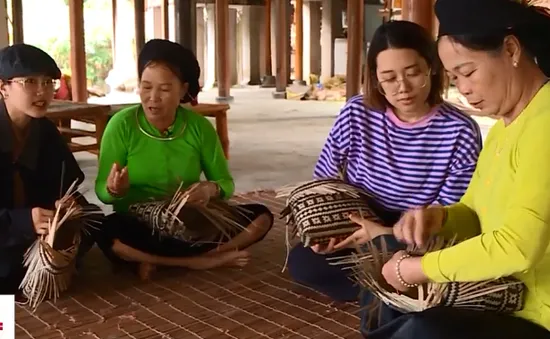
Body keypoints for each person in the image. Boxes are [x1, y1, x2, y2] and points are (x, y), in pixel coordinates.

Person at [347, 0, 550, 338]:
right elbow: (472, 211)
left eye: (469, 72)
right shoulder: (504, 128)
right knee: (386, 273)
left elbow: (517, 247)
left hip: (537, 313)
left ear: (511, 49)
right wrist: (439, 217)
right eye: (455, 78)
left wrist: (420, 269)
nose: (464, 89)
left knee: (425, 328)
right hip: (502, 291)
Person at [287, 20, 482, 305]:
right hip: (358, 218)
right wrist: (324, 227)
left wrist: (385, 234)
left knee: (443, 259)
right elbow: (325, 179)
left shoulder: (460, 129)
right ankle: (396, 288)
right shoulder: (356, 112)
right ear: (376, 79)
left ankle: (393, 284)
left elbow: (452, 212)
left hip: (418, 231)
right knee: (304, 261)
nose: (402, 87)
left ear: (432, 67)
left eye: (413, 73)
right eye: (389, 78)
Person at [94, 39, 274, 280]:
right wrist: (115, 190)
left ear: (182, 90)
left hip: (188, 222)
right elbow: (101, 192)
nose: (153, 97)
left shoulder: (199, 128)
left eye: (165, 89)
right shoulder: (122, 125)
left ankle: (162, 262)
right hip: (141, 225)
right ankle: (199, 261)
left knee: (261, 217)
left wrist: (210, 189)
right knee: (107, 232)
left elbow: (225, 183)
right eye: (146, 87)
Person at [0, 44, 98, 296]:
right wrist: (24, 221)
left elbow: (66, 184)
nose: (42, 91)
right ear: (3, 87)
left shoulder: (44, 131)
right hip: (8, 231)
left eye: (48, 82)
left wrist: (67, 205)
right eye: (30, 81)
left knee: (94, 219)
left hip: (39, 230)